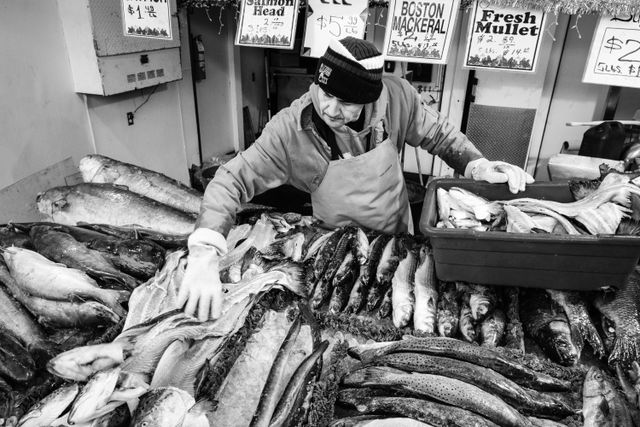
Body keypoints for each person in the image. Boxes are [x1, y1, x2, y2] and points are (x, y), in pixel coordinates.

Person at [178, 36, 534, 321]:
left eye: (347, 103)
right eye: (326, 93)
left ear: (369, 100)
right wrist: (205, 250)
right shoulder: (287, 131)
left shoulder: (395, 96)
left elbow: (439, 135)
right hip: (336, 251)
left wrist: (477, 165)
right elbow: (231, 179)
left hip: (398, 238)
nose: (332, 108)